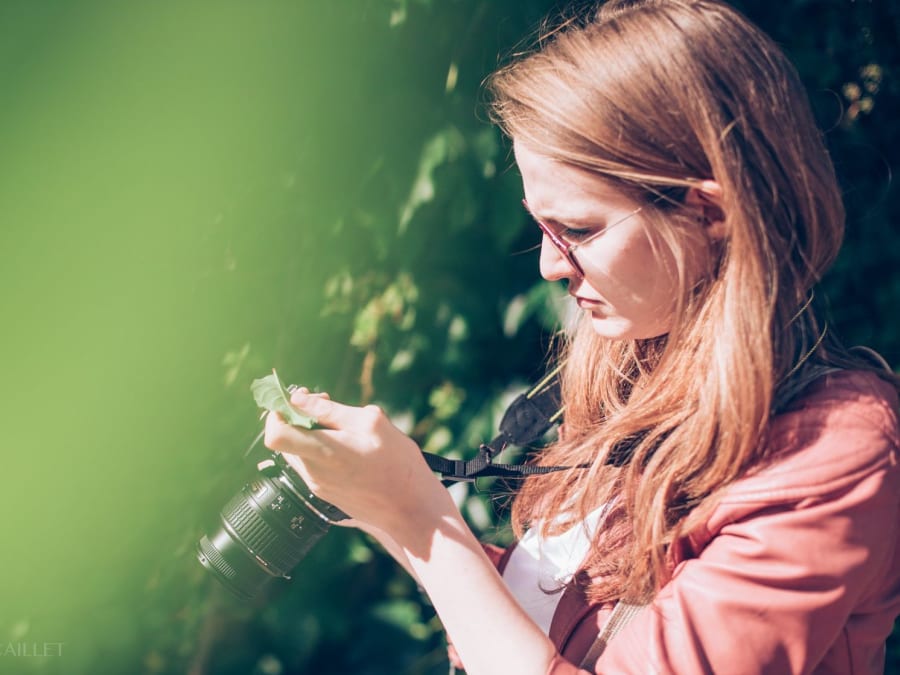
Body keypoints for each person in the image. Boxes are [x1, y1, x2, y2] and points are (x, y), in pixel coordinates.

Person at [263, 0, 900, 672]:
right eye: (540, 225)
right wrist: (378, 500)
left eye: (578, 229)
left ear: (708, 214)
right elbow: (542, 628)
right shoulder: (637, 369)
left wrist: (420, 517)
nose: (548, 264)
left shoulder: (832, 453)